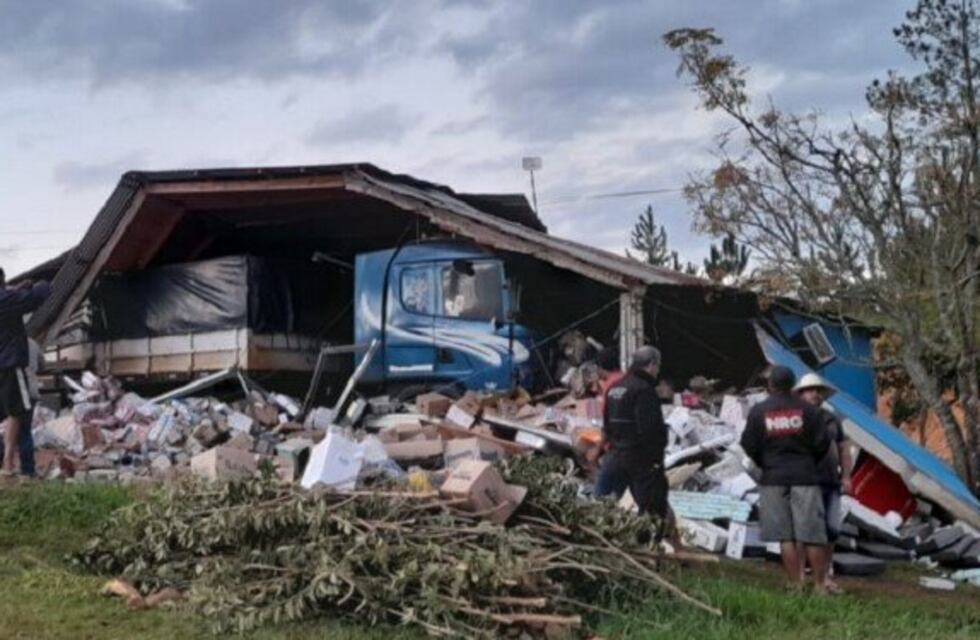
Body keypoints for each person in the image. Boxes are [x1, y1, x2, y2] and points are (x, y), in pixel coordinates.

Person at [740, 366, 831, 592]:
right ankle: (820, 586)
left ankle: (795, 584)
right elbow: (823, 443)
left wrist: (766, 462)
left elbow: (748, 444)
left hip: (773, 478)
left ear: (770, 386)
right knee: (812, 535)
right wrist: (809, 461)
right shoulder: (809, 411)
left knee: (786, 537)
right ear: (793, 386)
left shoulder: (759, 411)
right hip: (806, 477)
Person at [595, 346, 669, 522]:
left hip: (615, 456)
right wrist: (656, 460)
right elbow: (649, 429)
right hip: (640, 460)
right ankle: (650, 545)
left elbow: (607, 425)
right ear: (651, 365)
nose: (658, 371)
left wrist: (605, 450)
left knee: (599, 507)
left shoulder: (614, 388)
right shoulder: (644, 389)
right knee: (653, 514)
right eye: (658, 366)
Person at [794, 372, 853, 594]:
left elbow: (843, 448)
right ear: (800, 394)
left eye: (819, 391)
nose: (815, 394)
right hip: (803, 481)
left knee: (830, 530)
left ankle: (825, 576)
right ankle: (798, 576)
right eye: (810, 390)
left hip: (829, 481)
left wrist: (846, 476)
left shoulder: (831, 419)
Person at [0, 269, 51, 477]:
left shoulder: (8, 299)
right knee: (17, 414)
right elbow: (40, 294)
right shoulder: (6, 300)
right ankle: (9, 464)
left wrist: (16, 290)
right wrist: (39, 283)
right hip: (10, 366)